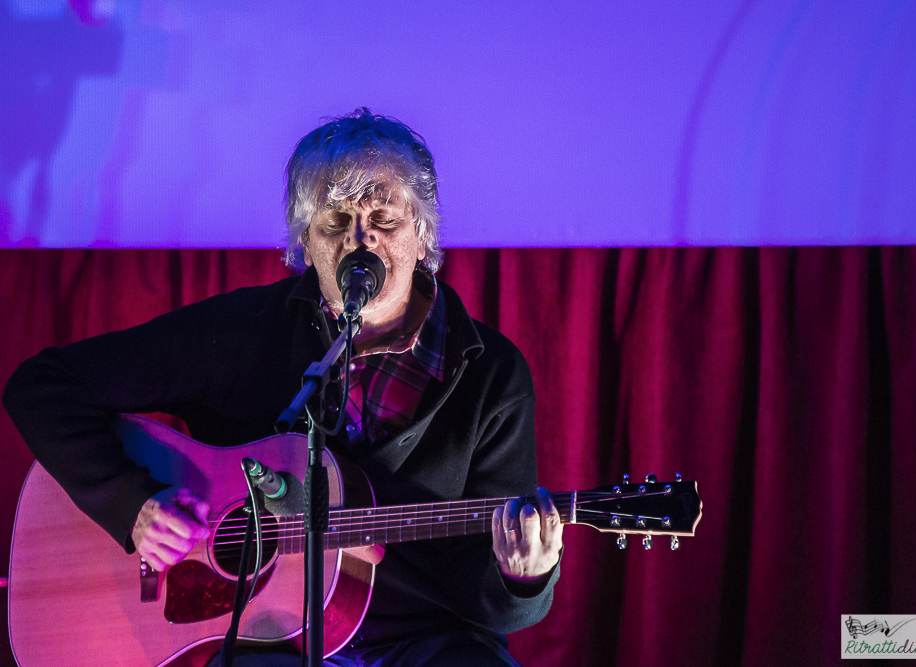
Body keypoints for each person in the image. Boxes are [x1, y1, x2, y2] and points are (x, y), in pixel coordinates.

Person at [3, 108, 563, 666]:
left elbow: (491, 603)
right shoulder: (243, 331)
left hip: (425, 639)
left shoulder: (492, 373)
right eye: (334, 223)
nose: (358, 244)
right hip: (267, 639)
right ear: (305, 242)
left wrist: (522, 577)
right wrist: (131, 505)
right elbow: (42, 384)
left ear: (422, 236)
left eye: (383, 219)